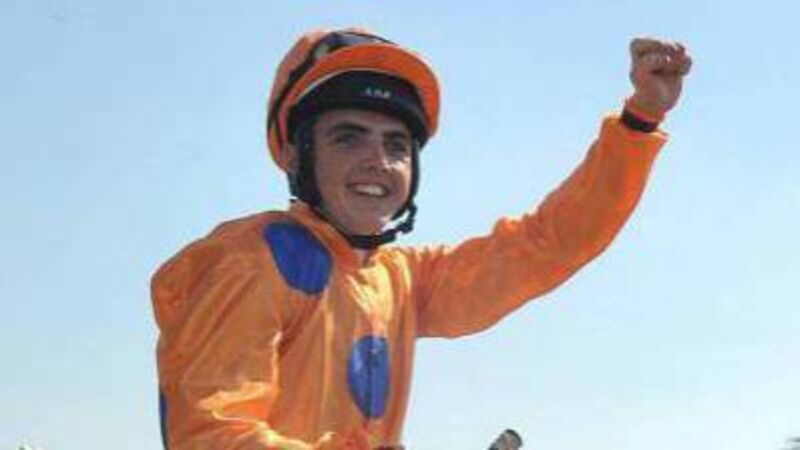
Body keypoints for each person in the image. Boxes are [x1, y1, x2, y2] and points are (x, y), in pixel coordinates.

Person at [151, 27, 692, 449]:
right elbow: (209, 434)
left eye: (396, 145)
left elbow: (547, 245)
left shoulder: (400, 280)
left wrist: (639, 121)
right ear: (296, 154)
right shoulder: (246, 261)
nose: (379, 162)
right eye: (348, 138)